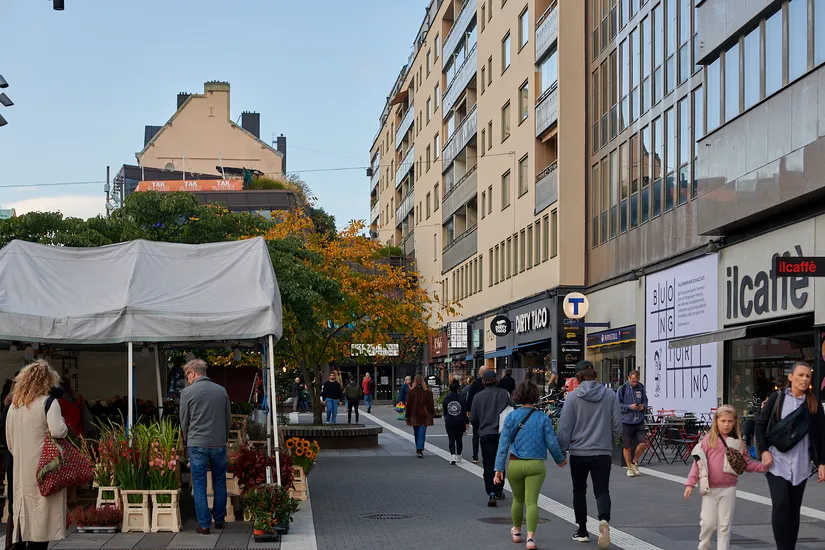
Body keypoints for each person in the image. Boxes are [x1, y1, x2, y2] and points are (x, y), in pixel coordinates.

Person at [755, 362, 825, 550]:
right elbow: (760, 425)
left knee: (794, 510)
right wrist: (763, 451)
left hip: (801, 465)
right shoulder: (776, 399)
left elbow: (821, 435)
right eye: (800, 375)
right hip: (777, 462)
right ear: (791, 377)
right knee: (781, 505)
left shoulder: (814, 405)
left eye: (807, 376)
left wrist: (822, 463)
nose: (804, 379)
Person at [495, 380, 567, 550]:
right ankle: (531, 539)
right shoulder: (542, 417)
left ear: (518, 396)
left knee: (518, 500)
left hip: (515, 464)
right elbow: (552, 442)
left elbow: (503, 444)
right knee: (532, 502)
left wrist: (498, 468)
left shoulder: (511, 416)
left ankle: (517, 532)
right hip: (536, 465)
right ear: (535, 397)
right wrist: (560, 459)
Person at [556, 360, 621, 549]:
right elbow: (617, 424)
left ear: (577, 377)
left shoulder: (573, 397)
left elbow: (565, 428)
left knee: (579, 491)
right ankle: (604, 520)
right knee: (602, 490)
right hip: (602, 452)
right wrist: (608, 440)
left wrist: (562, 450)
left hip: (579, 452)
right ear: (595, 374)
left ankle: (582, 530)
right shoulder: (610, 395)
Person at [5, 360, 69, 549]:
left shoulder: (14, 407)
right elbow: (58, 431)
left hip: (20, 471)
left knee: (22, 517)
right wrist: (64, 423)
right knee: (41, 523)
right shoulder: (49, 403)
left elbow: (9, 441)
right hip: (44, 469)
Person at [685, 405, 767, 550]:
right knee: (708, 523)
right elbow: (698, 463)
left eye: (730, 421)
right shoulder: (708, 440)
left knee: (724, 524)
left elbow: (746, 464)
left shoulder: (738, 442)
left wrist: (762, 467)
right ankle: (704, 545)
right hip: (710, 489)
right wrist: (690, 483)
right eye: (723, 421)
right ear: (716, 422)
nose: (726, 424)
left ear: (735, 422)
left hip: (729, 488)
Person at [179, 359, 232, 535]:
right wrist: (223, 438)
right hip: (218, 442)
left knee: (199, 484)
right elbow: (228, 419)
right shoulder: (221, 391)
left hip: (197, 442)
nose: (187, 380)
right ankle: (219, 520)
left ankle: (204, 524)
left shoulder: (187, 392)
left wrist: (187, 441)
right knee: (219, 481)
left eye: (188, 376)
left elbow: (184, 420)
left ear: (193, 373)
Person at [469, 369, 512, 507]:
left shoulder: (478, 397)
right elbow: (513, 410)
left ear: (483, 382)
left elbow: (473, 418)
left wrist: (479, 425)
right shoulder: (504, 394)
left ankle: (491, 492)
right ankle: (499, 490)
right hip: (501, 434)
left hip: (485, 433)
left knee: (488, 464)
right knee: (499, 462)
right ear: (496, 380)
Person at [617, 370, 648, 477]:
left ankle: (634, 462)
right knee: (627, 446)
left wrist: (643, 406)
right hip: (626, 421)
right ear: (629, 378)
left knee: (643, 444)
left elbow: (645, 401)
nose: (635, 383)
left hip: (639, 420)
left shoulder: (641, 387)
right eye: (633, 381)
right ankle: (629, 468)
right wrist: (629, 407)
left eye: (636, 381)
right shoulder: (622, 389)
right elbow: (618, 405)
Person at [405, 374, 434, 457]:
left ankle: (418, 447)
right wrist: (432, 414)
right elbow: (430, 405)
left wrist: (408, 416)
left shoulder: (411, 392)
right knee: (422, 432)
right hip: (424, 415)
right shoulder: (427, 392)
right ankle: (419, 448)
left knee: (416, 432)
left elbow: (409, 405)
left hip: (414, 415)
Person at [442, 380, 469, 465]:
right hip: (460, 421)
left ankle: (452, 455)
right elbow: (464, 412)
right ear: (458, 389)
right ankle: (459, 455)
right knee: (459, 439)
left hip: (449, 421)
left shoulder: (446, 399)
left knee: (451, 438)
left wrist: (446, 418)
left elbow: (445, 410)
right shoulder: (462, 399)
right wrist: (467, 422)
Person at [467, 366, 488, 463]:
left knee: (476, 435)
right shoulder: (493, 383)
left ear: (480, 373)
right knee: (486, 435)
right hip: (489, 414)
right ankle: (486, 454)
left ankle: (475, 455)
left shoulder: (475, 384)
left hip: (477, 413)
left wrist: (468, 410)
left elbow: (470, 398)